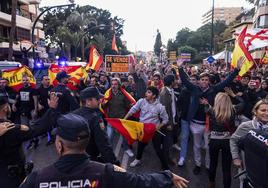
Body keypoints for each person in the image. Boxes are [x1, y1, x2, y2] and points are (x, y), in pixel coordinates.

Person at [19, 113, 188, 188]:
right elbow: (140, 182)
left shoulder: (36, 179)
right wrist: (168, 176)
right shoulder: (106, 172)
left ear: (59, 145)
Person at [177, 58, 243, 175]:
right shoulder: (194, 89)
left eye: (206, 80)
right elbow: (184, 81)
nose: (204, 81)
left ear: (209, 81)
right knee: (196, 146)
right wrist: (180, 68)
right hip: (195, 124)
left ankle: (208, 165)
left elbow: (226, 81)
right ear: (198, 81)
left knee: (207, 147)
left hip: (209, 125)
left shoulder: (214, 89)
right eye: (202, 79)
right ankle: (197, 164)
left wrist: (236, 70)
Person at [0, 93, 59, 188]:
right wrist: (51, 109)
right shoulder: (10, 129)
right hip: (11, 179)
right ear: (6, 108)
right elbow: (39, 128)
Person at [204, 92, 244, 188]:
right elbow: (243, 103)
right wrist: (234, 95)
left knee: (213, 163)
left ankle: (211, 184)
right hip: (228, 141)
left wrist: (206, 104)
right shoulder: (233, 110)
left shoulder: (211, 110)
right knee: (226, 168)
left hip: (214, 140)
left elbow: (205, 108)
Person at [124, 86, 170, 170]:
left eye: (149, 92)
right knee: (140, 145)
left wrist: (158, 127)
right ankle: (138, 159)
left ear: (154, 96)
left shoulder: (160, 107)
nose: (146, 94)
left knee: (157, 148)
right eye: (146, 92)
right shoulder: (141, 101)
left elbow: (165, 119)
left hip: (154, 130)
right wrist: (124, 120)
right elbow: (132, 110)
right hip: (143, 129)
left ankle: (165, 166)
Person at [230, 99, 268, 168]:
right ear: (255, 112)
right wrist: (236, 158)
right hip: (248, 169)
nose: (266, 113)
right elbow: (233, 140)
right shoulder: (246, 126)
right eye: (263, 110)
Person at [12, 76, 39, 149]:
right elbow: (17, 98)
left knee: (33, 127)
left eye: (27, 80)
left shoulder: (33, 90)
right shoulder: (20, 90)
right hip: (23, 111)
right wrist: (14, 105)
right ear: (22, 81)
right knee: (25, 127)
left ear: (29, 81)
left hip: (31, 111)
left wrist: (35, 110)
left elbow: (35, 101)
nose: (25, 81)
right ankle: (31, 140)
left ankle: (35, 140)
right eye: (24, 80)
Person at [159, 74, 179, 167]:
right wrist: (168, 124)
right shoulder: (164, 93)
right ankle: (165, 163)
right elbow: (164, 110)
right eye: (175, 80)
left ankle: (167, 160)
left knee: (169, 143)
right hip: (168, 123)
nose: (176, 81)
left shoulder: (170, 91)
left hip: (172, 121)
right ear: (172, 82)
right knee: (167, 144)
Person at [37, 75, 54, 145]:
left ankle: (51, 138)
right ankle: (45, 133)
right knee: (44, 122)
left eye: (48, 79)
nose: (48, 81)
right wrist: (38, 104)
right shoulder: (39, 89)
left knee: (51, 124)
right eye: (46, 80)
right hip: (43, 109)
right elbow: (36, 98)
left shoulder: (52, 88)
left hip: (51, 109)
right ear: (42, 81)